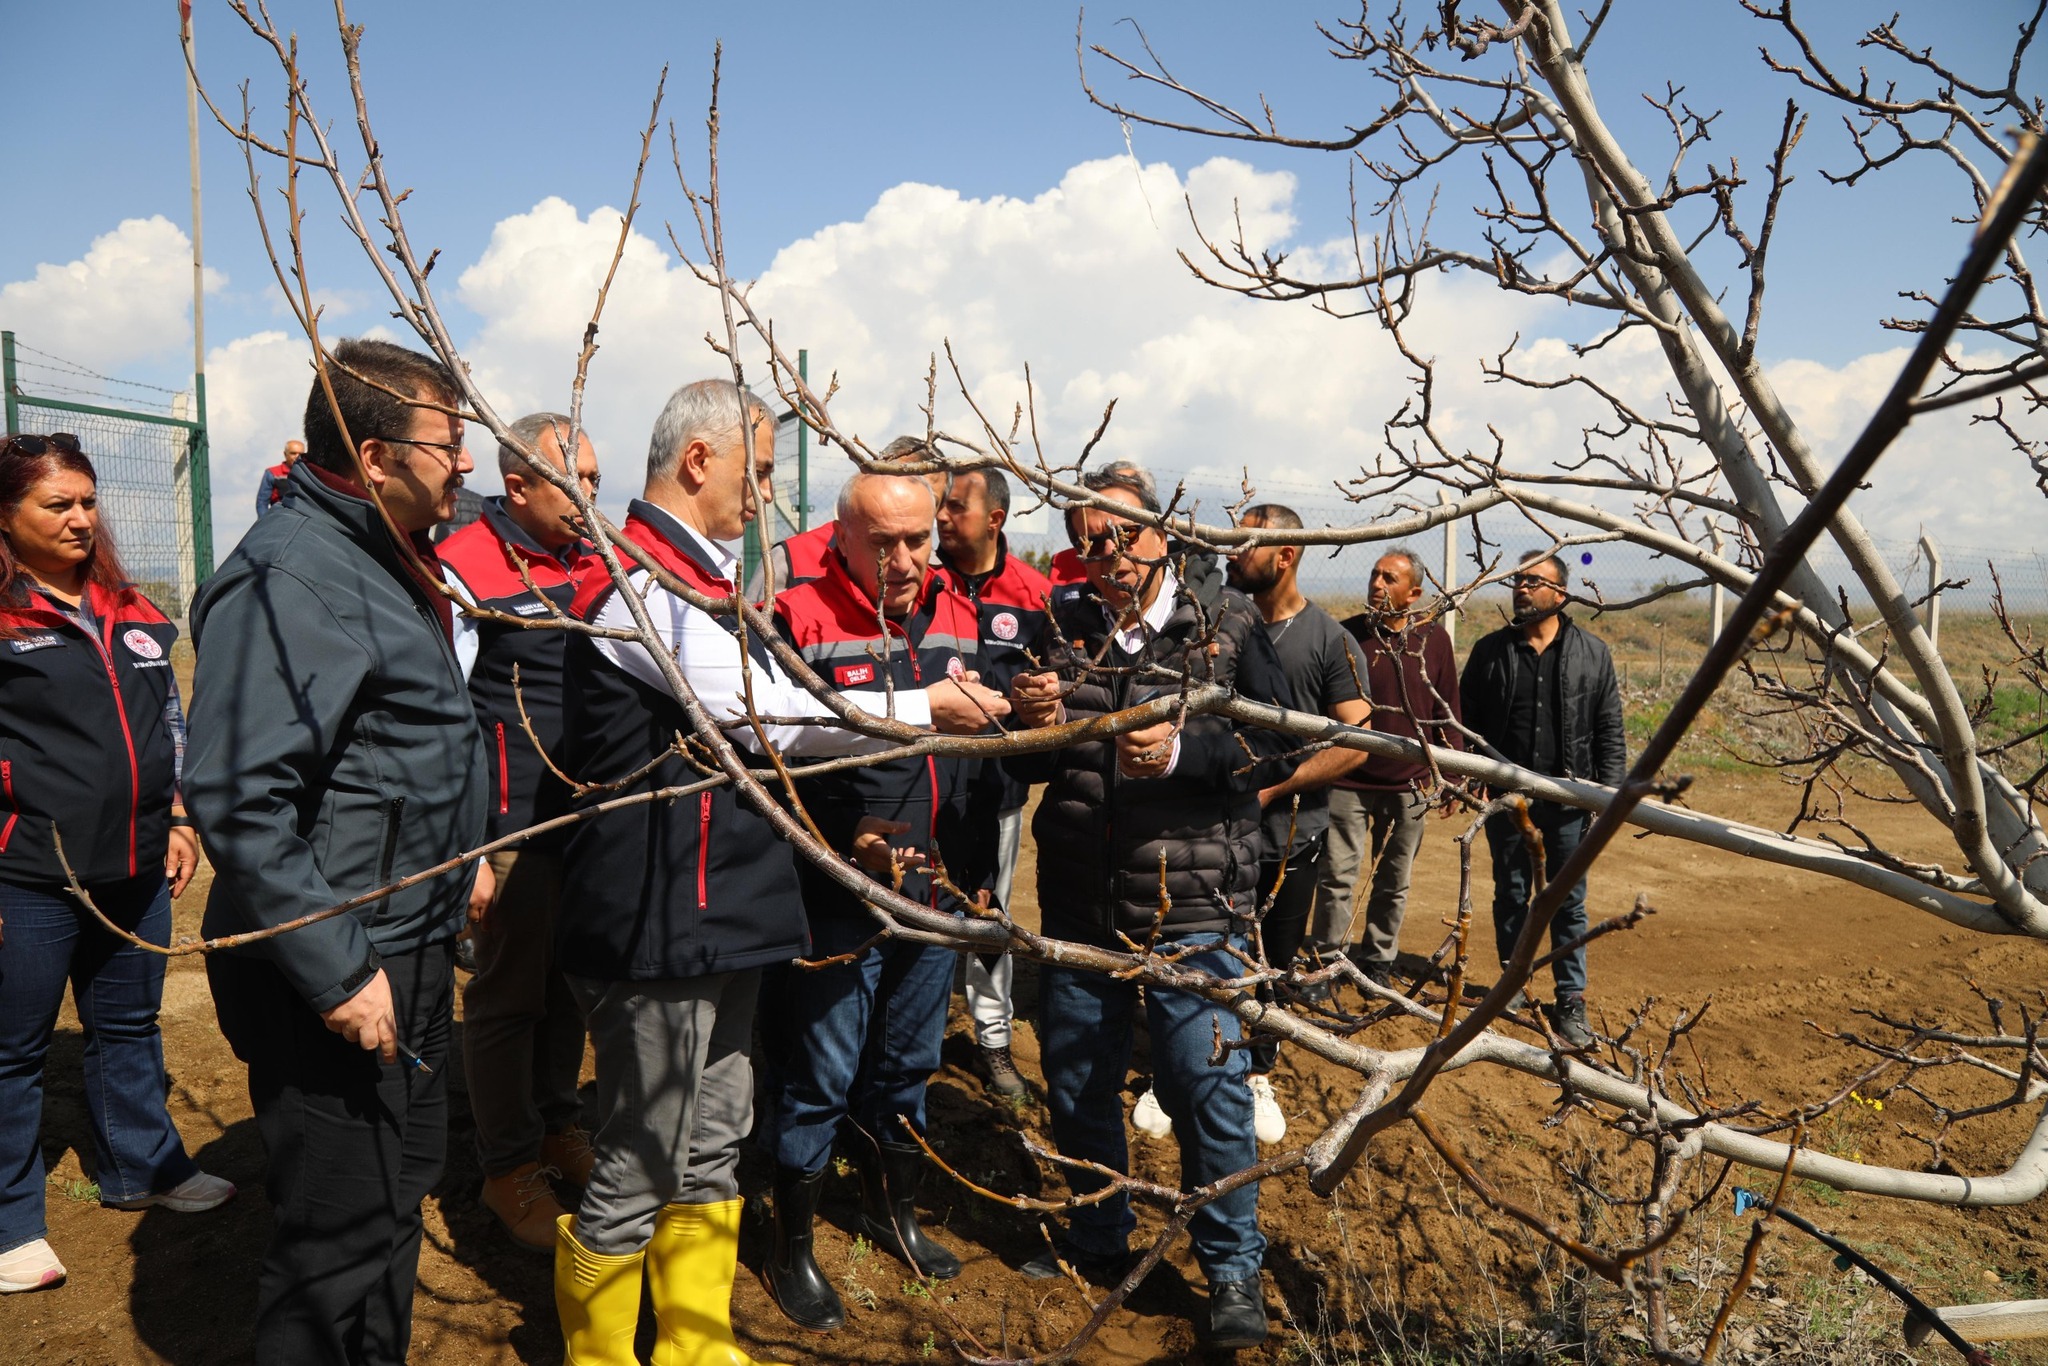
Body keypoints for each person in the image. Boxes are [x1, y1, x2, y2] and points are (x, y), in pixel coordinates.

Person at [552, 381, 1007, 1364]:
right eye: (757, 470)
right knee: (639, 1149)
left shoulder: (701, 581)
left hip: (720, 912)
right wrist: (922, 706)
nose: (766, 493)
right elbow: (757, 713)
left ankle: (694, 1340)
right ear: (699, 460)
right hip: (655, 921)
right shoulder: (636, 583)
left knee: (714, 1135)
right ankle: (598, 1354)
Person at [186, 339, 487, 1364]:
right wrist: (338, 968)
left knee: (394, 1206)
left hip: (405, 939)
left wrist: (464, 856)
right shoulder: (291, 579)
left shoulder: (388, 557)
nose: (467, 464)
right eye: (449, 444)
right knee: (336, 1245)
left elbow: (391, 752)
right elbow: (236, 796)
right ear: (372, 454)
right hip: (338, 967)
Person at [1007, 465, 1298, 1352]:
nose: (1107, 556)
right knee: (1081, 1083)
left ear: (1161, 535)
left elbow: (1266, 741)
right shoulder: (1061, 626)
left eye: (1123, 536)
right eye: (1089, 540)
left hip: (1196, 904)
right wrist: (1027, 722)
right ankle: (1101, 1237)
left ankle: (1233, 1270)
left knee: (1206, 1088)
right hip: (1082, 905)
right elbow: (1023, 770)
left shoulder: (1225, 627)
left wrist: (1180, 753)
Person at [0, 433, 235, 1296]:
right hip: (26, 875)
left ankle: (142, 1169)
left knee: (130, 1025)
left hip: (136, 866)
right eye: (55, 504)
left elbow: (168, 721)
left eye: (87, 501)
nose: (79, 518)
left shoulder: (130, 608)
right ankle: (11, 1217)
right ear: (5, 516)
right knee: (12, 1050)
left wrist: (175, 815)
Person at [762, 468, 995, 1329]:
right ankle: (790, 1249)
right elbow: (773, 753)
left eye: (917, 540)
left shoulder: (959, 612)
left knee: (908, 1064)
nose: (902, 560)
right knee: (819, 1071)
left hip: (938, 892)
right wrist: (844, 834)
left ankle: (887, 1209)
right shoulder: (798, 617)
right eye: (882, 542)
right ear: (841, 536)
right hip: (838, 894)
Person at [438, 413, 601, 1252]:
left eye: (598, 483)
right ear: (518, 486)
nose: (591, 499)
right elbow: (448, 716)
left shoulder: (595, 563)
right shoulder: (464, 568)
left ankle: (554, 1126)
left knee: (567, 986)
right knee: (505, 999)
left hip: (585, 821)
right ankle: (505, 1167)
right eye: (575, 484)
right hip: (510, 829)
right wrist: (472, 847)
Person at [1225, 504, 1372, 1145]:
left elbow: (1359, 742)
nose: (1232, 553)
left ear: (1285, 556)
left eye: (1247, 544)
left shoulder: (1329, 640)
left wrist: (1273, 790)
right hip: (1212, 835)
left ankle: (1258, 1070)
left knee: (1274, 960)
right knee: (1209, 950)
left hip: (1291, 836)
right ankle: (1186, 1070)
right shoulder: (1218, 626)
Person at [1458, 551, 1625, 1049]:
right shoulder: (1490, 652)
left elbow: (1609, 732)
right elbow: (1465, 724)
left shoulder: (1593, 654)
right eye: (1516, 581)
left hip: (1572, 803)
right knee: (1510, 895)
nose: (1520, 589)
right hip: (1510, 802)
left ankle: (1570, 1000)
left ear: (1560, 594)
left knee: (1569, 902)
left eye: (1532, 581)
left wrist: (1608, 799)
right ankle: (1514, 987)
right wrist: (1466, 775)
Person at [933, 464, 1051, 1099]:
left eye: (957, 508)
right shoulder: (922, 583)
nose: (942, 517)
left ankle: (994, 1040)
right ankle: (916, 1036)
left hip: (996, 790)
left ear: (996, 520)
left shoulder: (1036, 596)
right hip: (922, 784)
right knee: (919, 907)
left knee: (988, 912)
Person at [1315, 548, 1461, 983]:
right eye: (1375, 575)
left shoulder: (1433, 640)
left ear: (1413, 593)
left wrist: (1450, 775)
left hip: (1410, 785)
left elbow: (1447, 707)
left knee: (1393, 881)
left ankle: (1378, 960)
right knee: (1337, 878)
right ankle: (1327, 961)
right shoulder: (1344, 637)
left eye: (1389, 578)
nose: (1377, 584)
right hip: (1347, 779)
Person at [759, 435, 947, 597]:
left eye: (931, 501)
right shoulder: (793, 560)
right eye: (899, 481)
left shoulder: (943, 581)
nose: (903, 564)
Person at [254, 438, 304, 515]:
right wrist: (265, 522)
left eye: (300, 454)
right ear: (285, 454)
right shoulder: (272, 473)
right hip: (279, 517)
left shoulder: (310, 474)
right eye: (293, 453)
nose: (297, 457)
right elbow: (262, 503)